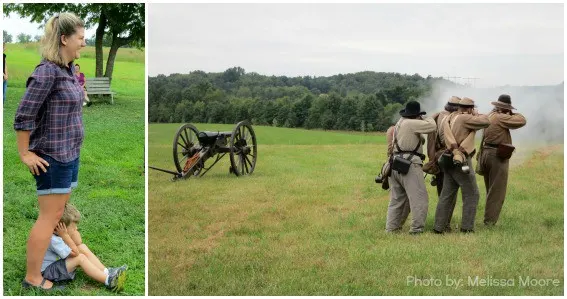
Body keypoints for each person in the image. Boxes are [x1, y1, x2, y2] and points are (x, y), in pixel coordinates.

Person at [15, 13, 86, 291]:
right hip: (52, 157)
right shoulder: (47, 72)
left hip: (71, 153)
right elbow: (24, 115)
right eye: (80, 38)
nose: (83, 42)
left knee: (55, 215)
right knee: (49, 216)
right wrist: (25, 153)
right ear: (64, 39)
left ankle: (49, 256)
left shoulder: (69, 70)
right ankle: (33, 276)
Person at [38, 204, 127, 292]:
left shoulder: (56, 233)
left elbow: (78, 242)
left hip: (55, 264)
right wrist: (65, 236)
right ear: (60, 228)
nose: (76, 228)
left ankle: (107, 271)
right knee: (80, 258)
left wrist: (72, 232)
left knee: (82, 247)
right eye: (73, 227)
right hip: (47, 272)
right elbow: (75, 253)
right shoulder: (53, 240)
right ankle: (108, 280)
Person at [433, 97, 490, 233]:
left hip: (448, 158)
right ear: (469, 108)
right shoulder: (464, 118)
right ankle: (467, 227)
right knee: (472, 194)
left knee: (446, 195)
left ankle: (439, 227)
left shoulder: (450, 117)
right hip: (461, 160)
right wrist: (476, 114)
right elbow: (486, 121)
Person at [386, 101, 436, 234]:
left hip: (396, 163)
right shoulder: (411, 123)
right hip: (410, 165)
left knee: (397, 200)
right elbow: (432, 126)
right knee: (419, 199)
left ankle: (391, 229)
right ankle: (416, 230)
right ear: (417, 115)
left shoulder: (400, 122)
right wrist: (428, 117)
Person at [477, 94, 526, 226]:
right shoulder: (500, 117)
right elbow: (522, 120)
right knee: (497, 192)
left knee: (491, 189)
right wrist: (511, 112)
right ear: (506, 107)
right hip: (497, 156)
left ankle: (489, 218)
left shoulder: (491, 115)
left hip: (486, 153)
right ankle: (489, 222)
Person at [423, 96, 461, 232]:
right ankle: (445, 224)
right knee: (451, 192)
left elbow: (431, 144)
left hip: (438, 158)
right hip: (450, 156)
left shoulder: (436, 117)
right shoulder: (455, 119)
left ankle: (442, 222)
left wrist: (432, 161)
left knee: (442, 192)